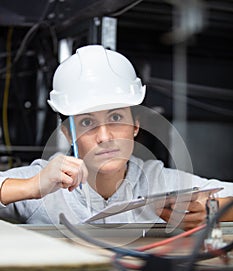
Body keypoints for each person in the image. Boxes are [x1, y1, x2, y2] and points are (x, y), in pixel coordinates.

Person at [0, 44, 232, 228]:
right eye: (87, 122)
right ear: (67, 133)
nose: (104, 136)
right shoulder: (43, 180)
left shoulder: (157, 181)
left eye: (116, 118)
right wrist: (30, 187)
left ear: (135, 125)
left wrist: (210, 210)